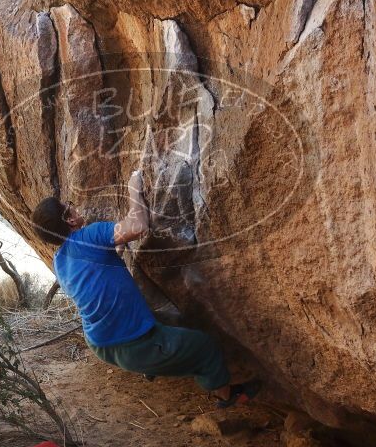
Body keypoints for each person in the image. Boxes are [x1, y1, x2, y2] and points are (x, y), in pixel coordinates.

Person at [31, 170, 260, 407]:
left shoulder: (60, 261)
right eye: (69, 206)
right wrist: (134, 189)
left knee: (162, 320)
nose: (75, 208)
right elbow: (138, 225)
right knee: (204, 346)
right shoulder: (89, 236)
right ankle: (227, 396)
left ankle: (152, 364)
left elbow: (92, 280)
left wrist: (113, 252)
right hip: (130, 343)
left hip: (101, 343)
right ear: (69, 219)